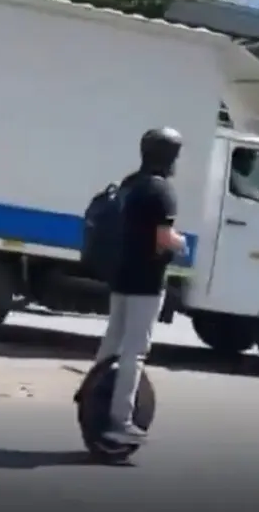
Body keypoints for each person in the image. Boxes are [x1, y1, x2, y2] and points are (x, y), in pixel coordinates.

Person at [95, 127, 187, 445]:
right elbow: (163, 239)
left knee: (112, 344)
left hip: (121, 275)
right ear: (170, 155)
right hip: (147, 282)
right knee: (136, 351)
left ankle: (94, 397)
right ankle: (120, 420)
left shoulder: (130, 183)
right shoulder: (162, 192)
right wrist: (181, 243)